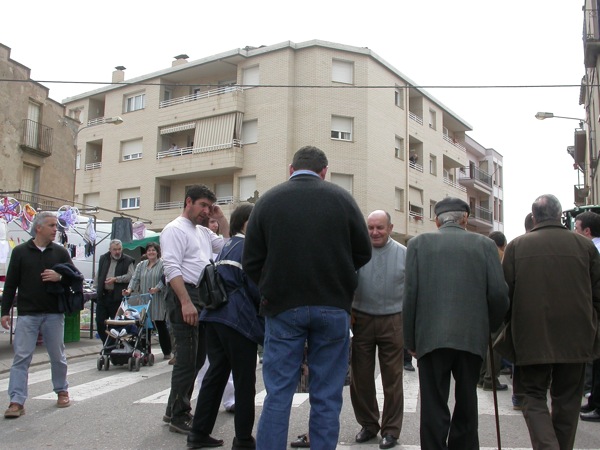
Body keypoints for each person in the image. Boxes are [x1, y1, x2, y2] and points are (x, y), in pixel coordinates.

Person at [243, 145, 372, 450]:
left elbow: (251, 262)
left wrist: (271, 287)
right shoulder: (343, 199)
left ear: (291, 169)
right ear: (324, 172)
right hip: (332, 306)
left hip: (283, 307)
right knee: (327, 395)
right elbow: (363, 251)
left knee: (278, 393)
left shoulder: (268, 201)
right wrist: (341, 277)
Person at [403, 197, 509, 450]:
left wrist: (410, 340)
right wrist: (490, 328)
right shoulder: (485, 245)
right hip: (471, 336)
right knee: (467, 400)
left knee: (432, 403)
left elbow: (410, 296)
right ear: (465, 218)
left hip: (430, 337)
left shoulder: (418, 244)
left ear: (437, 220)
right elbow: (498, 294)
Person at [502, 194, 600, 449]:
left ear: (534, 217)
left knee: (530, 395)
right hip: (577, 336)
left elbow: (505, 297)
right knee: (568, 399)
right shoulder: (586, 247)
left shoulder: (516, 247)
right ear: (560, 216)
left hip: (531, 337)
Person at [188, 204, 263, 450]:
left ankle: (198, 433)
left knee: (215, 375)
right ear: (246, 223)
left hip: (215, 317)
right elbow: (256, 289)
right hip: (238, 320)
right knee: (244, 380)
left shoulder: (228, 246)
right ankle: (242, 439)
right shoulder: (247, 248)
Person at [161, 184, 229, 435]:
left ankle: (172, 408)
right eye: (203, 205)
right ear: (188, 201)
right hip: (185, 295)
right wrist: (186, 302)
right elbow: (171, 268)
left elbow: (227, 245)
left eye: (209, 207)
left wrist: (220, 218)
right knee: (188, 360)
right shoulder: (174, 229)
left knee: (198, 359)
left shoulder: (202, 231)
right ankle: (179, 416)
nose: (206, 211)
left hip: (201, 295)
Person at [1, 212, 75, 417]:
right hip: (27, 314)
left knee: (57, 356)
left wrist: (60, 276)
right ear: (38, 228)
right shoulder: (20, 252)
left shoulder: (60, 252)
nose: (55, 230)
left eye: (56, 226)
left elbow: (74, 278)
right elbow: (11, 283)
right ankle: (16, 401)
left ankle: (62, 390)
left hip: (53, 314)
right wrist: (5, 311)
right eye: (52, 225)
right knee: (21, 358)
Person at [350, 210, 406, 449]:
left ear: (390, 228)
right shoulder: (357, 253)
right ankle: (369, 424)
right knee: (360, 377)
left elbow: (413, 290)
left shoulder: (406, 254)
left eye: (380, 227)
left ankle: (391, 430)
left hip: (393, 319)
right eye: (370, 227)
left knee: (392, 379)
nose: (374, 232)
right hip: (361, 319)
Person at [573, 211, 600, 423]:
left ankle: (598, 405)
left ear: (587, 231)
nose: (574, 232)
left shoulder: (592, 250)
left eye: (577, 228)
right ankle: (594, 401)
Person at [122, 242, 171, 359]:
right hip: (144, 299)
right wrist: (129, 290)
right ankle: (145, 351)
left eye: (153, 250)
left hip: (158, 299)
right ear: (146, 252)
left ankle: (167, 351)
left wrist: (157, 288)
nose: (151, 252)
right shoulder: (141, 265)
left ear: (157, 252)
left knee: (160, 323)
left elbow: (165, 279)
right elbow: (135, 279)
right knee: (144, 325)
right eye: (149, 250)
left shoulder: (163, 264)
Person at [477, 230, 509, 392]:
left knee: (484, 342)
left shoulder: (479, 252)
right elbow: (500, 285)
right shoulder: (500, 254)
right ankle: (491, 379)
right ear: (502, 244)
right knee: (495, 344)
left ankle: (482, 377)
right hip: (494, 305)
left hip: (479, 305)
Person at [95, 239, 134, 344]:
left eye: (119, 249)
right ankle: (107, 343)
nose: (117, 252)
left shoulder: (127, 260)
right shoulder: (104, 258)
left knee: (115, 324)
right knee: (100, 322)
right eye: (115, 249)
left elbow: (131, 276)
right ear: (110, 250)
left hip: (117, 297)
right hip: (103, 295)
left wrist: (116, 279)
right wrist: (96, 288)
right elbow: (99, 274)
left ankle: (112, 346)